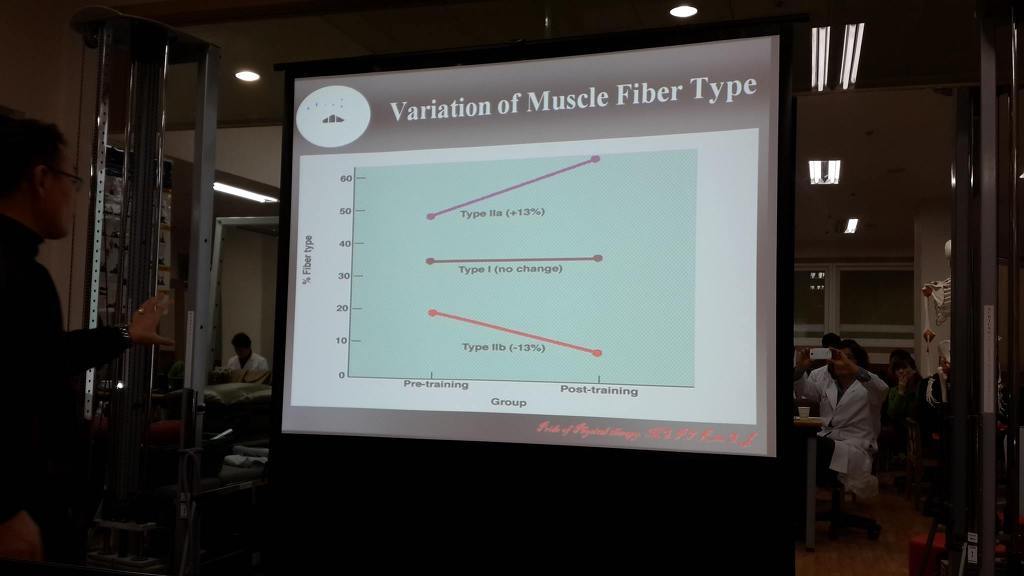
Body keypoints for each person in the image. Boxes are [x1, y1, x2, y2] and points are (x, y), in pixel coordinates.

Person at [0, 116, 172, 562]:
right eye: (73, 180)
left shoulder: (22, 269)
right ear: (41, 178)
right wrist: (7, 512)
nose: (75, 196)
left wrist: (126, 334)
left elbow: (43, 357)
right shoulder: (18, 275)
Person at [794, 339, 888, 498]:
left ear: (857, 362)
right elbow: (803, 390)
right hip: (827, 441)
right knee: (802, 442)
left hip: (854, 446)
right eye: (837, 357)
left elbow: (882, 388)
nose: (841, 362)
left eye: (848, 357)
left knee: (815, 446)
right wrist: (801, 367)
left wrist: (848, 364)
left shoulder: (869, 389)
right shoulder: (828, 385)